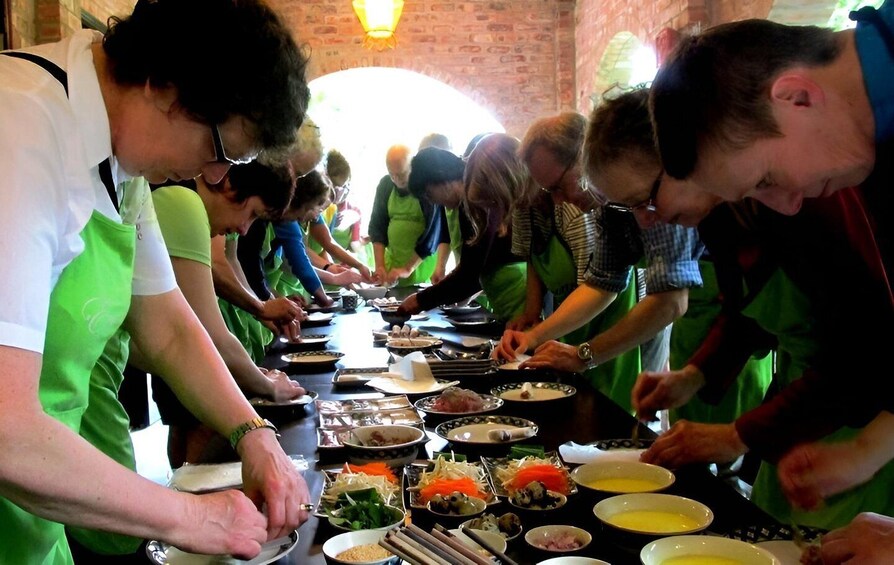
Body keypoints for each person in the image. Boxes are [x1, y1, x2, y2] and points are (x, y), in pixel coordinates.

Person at [0, 0, 313, 562]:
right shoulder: (16, 124)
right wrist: (193, 517)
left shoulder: (126, 160)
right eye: (222, 153)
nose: (213, 177)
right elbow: (5, 428)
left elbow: (165, 325)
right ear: (164, 85)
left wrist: (253, 433)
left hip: (34, 525)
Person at [588, 89, 894, 529]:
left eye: (646, 199)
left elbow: (862, 352)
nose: (644, 219)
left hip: (868, 418)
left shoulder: (803, 195)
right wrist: (693, 375)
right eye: (630, 208)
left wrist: (739, 434)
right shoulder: (718, 215)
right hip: (808, 407)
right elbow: (746, 314)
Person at [493, 112, 709, 414]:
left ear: (585, 156)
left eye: (557, 186)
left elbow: (671, 301)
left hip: (721, 325)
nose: (557, 201)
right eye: (547, 191)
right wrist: (532, 337)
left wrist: (584, 354)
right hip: (695, 337)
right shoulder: (610, 206)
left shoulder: (653, 192)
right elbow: (602, 283)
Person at [149, 162, 307, 469]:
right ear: (230, 186)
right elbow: (215, 338)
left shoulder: (185, 201)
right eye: (251, 213)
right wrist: (268, 386)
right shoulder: (185, 203)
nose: (245, 229)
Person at [398, 142, 528, 322]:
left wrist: (421, 300)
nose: (434, 202)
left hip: (518, 290)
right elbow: (473, 264)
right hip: (505, 292)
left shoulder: (476, 199)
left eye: (429, 194)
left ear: (441, 179)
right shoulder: (464, 204)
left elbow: (470, 272)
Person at [368, 144, 449, 286]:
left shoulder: (427, 188)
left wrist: (408, 268)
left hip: (421, 270)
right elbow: (377, 227)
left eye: (401, 174)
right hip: (392, 270)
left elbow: (434, 233)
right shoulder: (385, 185)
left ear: (413, 166)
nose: (396, 179)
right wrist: (379, 266)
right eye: (392, 174)